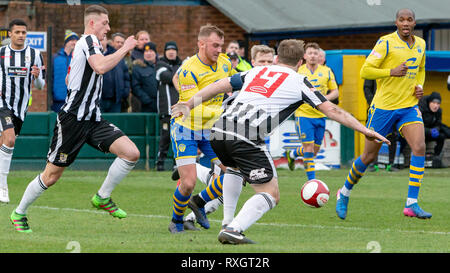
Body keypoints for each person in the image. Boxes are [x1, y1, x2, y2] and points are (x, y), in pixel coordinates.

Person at [171, 39, 389, 244]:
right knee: (270, 194)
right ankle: (233, 229)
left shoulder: (257, 71)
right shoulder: (300, 81)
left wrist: (188, 104)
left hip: (219, 130)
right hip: (246, 136)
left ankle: (228, 221)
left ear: (276, 58)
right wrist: (364, 129)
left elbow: (220, 84)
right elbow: (331, 109)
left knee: (234, 169)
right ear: (301, 62)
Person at [10, 5, 139, 233]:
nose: (108, 28)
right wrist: (125, 49)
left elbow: (72, 77)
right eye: (105, 23)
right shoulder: (89, 40)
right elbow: (99, 67)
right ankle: (19, 212)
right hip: (72, 121)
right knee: (50, 176)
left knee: (131, 153)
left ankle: (102, 197)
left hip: (93, 120)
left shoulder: (91, 45)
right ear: (92, 23)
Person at [335, 8, 431, 220]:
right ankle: (344, 192)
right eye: (401, 19)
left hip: (408, 107)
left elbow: (421, 69)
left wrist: (419, 85)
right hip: (383, 108)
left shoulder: (421, 45)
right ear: (396, 22)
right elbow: (365, 71)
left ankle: (411, 203)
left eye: (409, 19)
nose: (405, 23)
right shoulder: (385, 42)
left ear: (415, 23)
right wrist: (391, 71)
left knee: (419, 147)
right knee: (368, 156)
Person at [168, 24, 234, 234]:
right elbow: (192, 108)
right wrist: (224, 110)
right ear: (201, 44)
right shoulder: (189, 70)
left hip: (211, 130)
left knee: (234, 174)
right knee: (188, 182)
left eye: (221, 45)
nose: (219, 50)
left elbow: (233, 83)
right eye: (215, 45)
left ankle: (198, 201)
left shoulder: (224, 62)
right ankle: (176, 221)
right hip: (186, 129)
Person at [0, 19, 46, 204]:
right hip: (3, 103)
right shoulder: (2, 53)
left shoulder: (34, 54)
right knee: (10, 140)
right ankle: (3, 186)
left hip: (20, 109)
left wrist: (36, 77)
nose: (20, 35)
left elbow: (41, 86)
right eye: (17, 32)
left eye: (23, 32)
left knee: (4, 143)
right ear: (10, 34)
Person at [285, 42, 339, 180]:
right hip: (303, 115)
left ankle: (292, 154)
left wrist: (323, 99)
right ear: (304, 56)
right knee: (308, 148)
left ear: (319, 56)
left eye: (316, 53)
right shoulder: (299, 71)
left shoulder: (326, 71)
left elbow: (335, 92)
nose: (313, 56)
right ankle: (312, 182)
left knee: (313, 151)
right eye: (310, 53)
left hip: (320, 115)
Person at [364, 79, 403, 172]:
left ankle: (390, 164)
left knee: (393, 136)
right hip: (376, 109)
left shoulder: (396, 69)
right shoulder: (374, 68)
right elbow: (366, 88)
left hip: (392, 107)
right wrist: (373, 103)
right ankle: (374, 163)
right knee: (373, 135)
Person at [155, 41, 182, 171]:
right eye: (168, 50)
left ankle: (177, 164)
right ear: (165, 52)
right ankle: (160, 162)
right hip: (166, 108)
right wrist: (176, 74)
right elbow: (167, 77)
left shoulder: (181, 64)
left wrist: (175, 73)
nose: (171, 52)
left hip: (180, 109)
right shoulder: (160, 64)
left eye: (173, 50)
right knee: (165, 136)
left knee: (179, 136)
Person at [419, 91, 450, 167]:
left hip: (431, 132)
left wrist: (436, 129)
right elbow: (418, 126)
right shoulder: (421, 108)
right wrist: (429, 131)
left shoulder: (439, 111)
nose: (436, 106)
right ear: (429, 102)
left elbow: (439, 124)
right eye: (434, 103)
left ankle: (436, 157)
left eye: (438, 104)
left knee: (442, 136)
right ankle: (419, 159)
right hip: (421, 132)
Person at [100, 36, 130, 113]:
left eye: (103, 40)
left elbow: (126, 76)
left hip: (116, 100)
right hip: (99, 100)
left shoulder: (117, 55)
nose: (101, 42)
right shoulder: (93, 56)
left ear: (107, 41)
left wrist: (125, 92)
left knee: (114, 124)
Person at [52, 30, 78, 112]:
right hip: (58, 100)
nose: (74, 42)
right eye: (72, 40)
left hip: (74, 100)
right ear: (66, 42)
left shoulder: (77, 58)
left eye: (76, 40)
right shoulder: (55, 58)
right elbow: (50, 78)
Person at [131, 42, 158, 113]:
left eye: (151, 51)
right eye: (146, 51)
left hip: (161, 104)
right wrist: (147, 101)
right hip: (145, 105)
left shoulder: (161, 67)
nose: (148, 53)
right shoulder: (138, 68)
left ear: (155, 53)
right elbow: (136, 87)